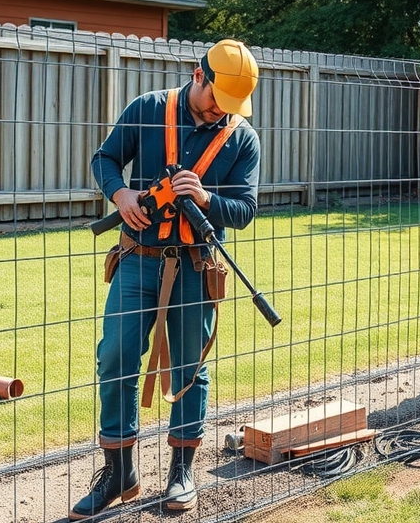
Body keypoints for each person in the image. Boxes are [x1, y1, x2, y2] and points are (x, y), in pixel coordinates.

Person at [72, 39, 262, 519]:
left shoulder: (242, 137)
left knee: (188, 367)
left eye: (232, 105)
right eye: (218, 97)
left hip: (196, 265)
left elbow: (245, 210)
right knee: (115, 355)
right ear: (199, 76)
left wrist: (205, 199)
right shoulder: (149, 108)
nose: (223, 110)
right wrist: (121, 196)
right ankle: (119, 470)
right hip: (138, 257)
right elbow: (105, 159)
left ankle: (182, 470)